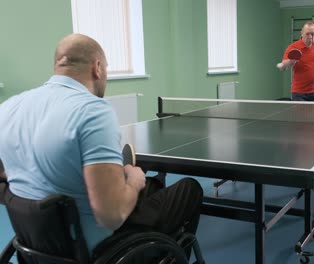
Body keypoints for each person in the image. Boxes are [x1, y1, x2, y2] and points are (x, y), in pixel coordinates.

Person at [0, 33, 203, 256]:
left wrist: (32, 171)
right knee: (188, 188)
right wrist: (134, 181)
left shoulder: (9, 107)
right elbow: (111, 216)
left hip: (38, 242)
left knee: (153, 185)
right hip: (93, 247)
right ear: (97, 68)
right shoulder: (93, 111)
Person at [277, 21, 314, 101]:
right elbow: (283, 67)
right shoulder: (292, 47)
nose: (310, 36)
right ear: (302, 33)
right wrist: (290, 62)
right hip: (299, 93)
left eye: (312, 34)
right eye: (307, 34)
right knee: (300, 114)